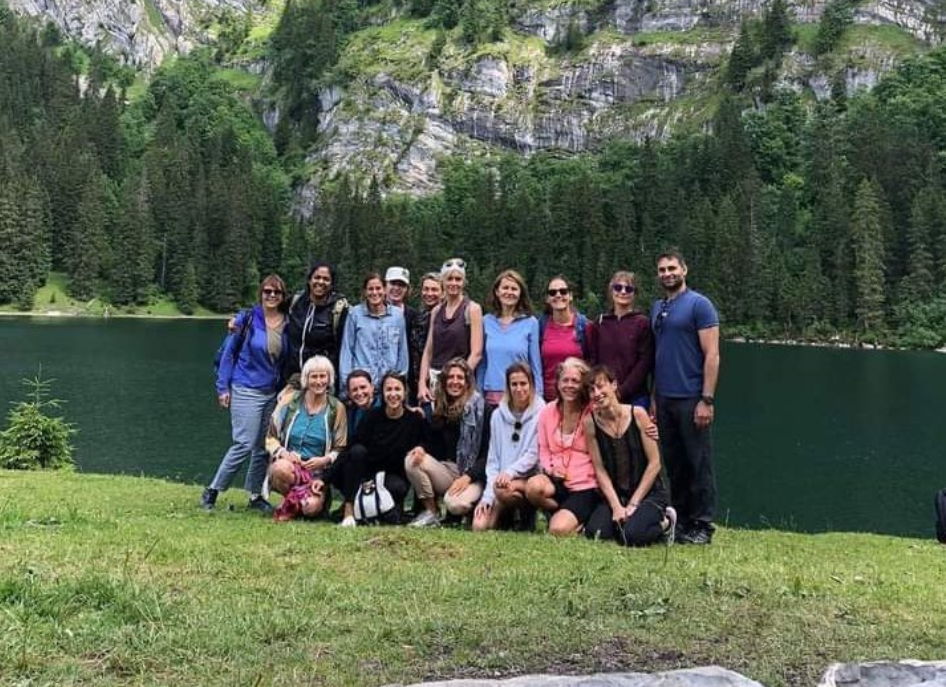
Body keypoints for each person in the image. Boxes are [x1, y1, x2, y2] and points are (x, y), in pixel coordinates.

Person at [202, 274, 290, 513]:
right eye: (267, 291)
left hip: (271, 391)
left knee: (263, 447)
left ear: (283, 296)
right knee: (243, 443)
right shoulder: (248, 319)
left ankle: (254, 496)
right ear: (261, 293)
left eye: (277, 292)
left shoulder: (287, 322)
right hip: (245, 388)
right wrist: (223, 387)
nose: (271, 296)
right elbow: (229, 354)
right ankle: (212, 491)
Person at [650, 248, 720, 545]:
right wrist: (653, 396)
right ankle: (680, 521)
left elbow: (712, 354)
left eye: (672, 268)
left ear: (684, 270)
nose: (668, 274)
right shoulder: (658, 307)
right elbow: (658, 354)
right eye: (662, 270)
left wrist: (706, 399)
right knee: (674, 463)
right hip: (664, 397)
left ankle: (703, 525)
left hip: (691, 397)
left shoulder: (700, 305)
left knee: (698, 462)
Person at [584, 365, 674, 546]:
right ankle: (626, 520)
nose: (597, 393)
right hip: (618, 494)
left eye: (601, 386)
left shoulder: (638, 414)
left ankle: (666, 523)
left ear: (614, 385)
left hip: (648, 493)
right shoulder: (590, 422)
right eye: (592, 390)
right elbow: (599, 469)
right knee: (597, 533)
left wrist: (633, 504)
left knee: (632, 536)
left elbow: (655, 463)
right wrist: (616, 506)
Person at [334, 371, 426, 527]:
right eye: (388, 390)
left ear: (405, 393)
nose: (393, 394)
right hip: (367, 474)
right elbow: (351, 448)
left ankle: (374, 510)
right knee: (357, 451)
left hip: (392, 478)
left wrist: (421, 447)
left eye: (397, 389)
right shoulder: (372, 416)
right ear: (382, 393)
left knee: (397, 488)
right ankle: (349, 510)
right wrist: (324, 479)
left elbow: (429, 441)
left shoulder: (415, 419)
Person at [405, 358, 488, 527]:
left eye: (460, 377)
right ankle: (432, 512)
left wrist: (468, 476)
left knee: (455, 505)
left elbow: (489, 454)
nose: (455, 382)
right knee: (411, 460)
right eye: (450, 377)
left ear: (467, 382)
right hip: (448, 470)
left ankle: (471, 508)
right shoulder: (440, 407)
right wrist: (421, 448)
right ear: (444, 381)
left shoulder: (482, 409)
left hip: (474, 474)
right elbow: (432, 443)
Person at [264, 355, 348, 521]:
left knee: (310, 509)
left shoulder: (337, 408)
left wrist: (324, 460)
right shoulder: (289, 402)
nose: (318, 382)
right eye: (314, 376)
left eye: (323, 376)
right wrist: (283, 453)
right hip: (291, 466)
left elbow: (341, 447)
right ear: (306, 379)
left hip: (317, 474)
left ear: (329, 379)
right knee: (280, 468)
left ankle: (308, 502)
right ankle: (293, 499)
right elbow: (270, 438)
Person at [525, 357, 598, 535]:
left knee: (557, 530)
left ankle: (577, 520)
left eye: (575, 381)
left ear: (583, 385)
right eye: (565, 380)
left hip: (584, 485)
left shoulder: (592, 412)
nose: (569, 385)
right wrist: (550, 470)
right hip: (556, 480)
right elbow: (543, 449)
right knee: (532, 487)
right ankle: (559, 512)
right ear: (558, 383)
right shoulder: (547, 412)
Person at [473, 362, 545, 532]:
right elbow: (493, 461)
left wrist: (509, 473)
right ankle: (506, 515)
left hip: (528, 477)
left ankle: (527, 513)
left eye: (523, 383)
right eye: (514, 384)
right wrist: (487, 497)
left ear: (531, 385)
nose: (519, 389)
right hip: (501, 483)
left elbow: (533, 455)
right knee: (480, 526)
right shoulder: (497, 415)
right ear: (508, 386)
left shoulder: (542, 412)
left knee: (503, 490)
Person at [418, 258, 483, 403]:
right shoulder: (436, 311)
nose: (454, 283)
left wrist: (458, 378)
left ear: (463, 282)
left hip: (458, 384)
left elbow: (476, 353)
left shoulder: (472, 309)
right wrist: (422, 383)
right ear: (443, 281)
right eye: (449, 279)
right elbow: (428, 351)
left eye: (458, 279)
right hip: (436, 380)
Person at [477, 269, 543, 406]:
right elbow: (482, 363)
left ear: (520, 294)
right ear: (497, 291)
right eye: (505, 288)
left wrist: (538, 397)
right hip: (492, 396)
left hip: (520, 395)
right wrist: (478, 394)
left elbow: (535, 365)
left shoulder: (530, 323)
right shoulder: (485, 321)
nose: (509, 292)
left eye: (514, 289)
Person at [590, 270, 654, 408]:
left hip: (636, 398)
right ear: (611, 291)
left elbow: (644, 364)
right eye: (618, 287)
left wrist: (620, 392)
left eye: (628, 288)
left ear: (634, 293)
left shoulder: (642, 323)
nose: (623, 292)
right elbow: (593, 360)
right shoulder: (600, 323)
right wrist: (603, 389)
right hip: (604, 396)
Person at [339, 272, 409, 393]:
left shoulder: (397, 315)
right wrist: (347, 383)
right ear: (365, 292)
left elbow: (402, 350)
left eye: (378, 288)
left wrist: (401, 379)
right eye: (370, 289)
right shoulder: (355, 314)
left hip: (389, 386)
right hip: (362, 386)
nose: (374, 292)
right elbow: (347, 350)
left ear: (385, 289)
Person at [284, 261, 349, 387]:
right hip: (293, 377)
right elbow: (269, 310)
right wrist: (239, 320)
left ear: (332, 284)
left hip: (321, 380)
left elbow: (342, 349)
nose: (320, 282)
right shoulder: (296, 302)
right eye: (317, 277)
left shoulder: (339, 309)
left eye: (326, 279)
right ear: (309, 280)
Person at [539, 275, 592, 402]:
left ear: (570, 296)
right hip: (548, 399)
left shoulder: (584, 326)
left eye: (563, 291)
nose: (558, 295)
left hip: (578, 398)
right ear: (547, 299)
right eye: (552, 292)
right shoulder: (540, 326)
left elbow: (592, 363)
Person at [408, 272, 443, 401]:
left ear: (443, 292)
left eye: (434, 289)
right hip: (416, 379)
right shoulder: (418, 316)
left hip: (438, 377)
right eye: (426, 289)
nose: (429, 293)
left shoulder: (447, 318)